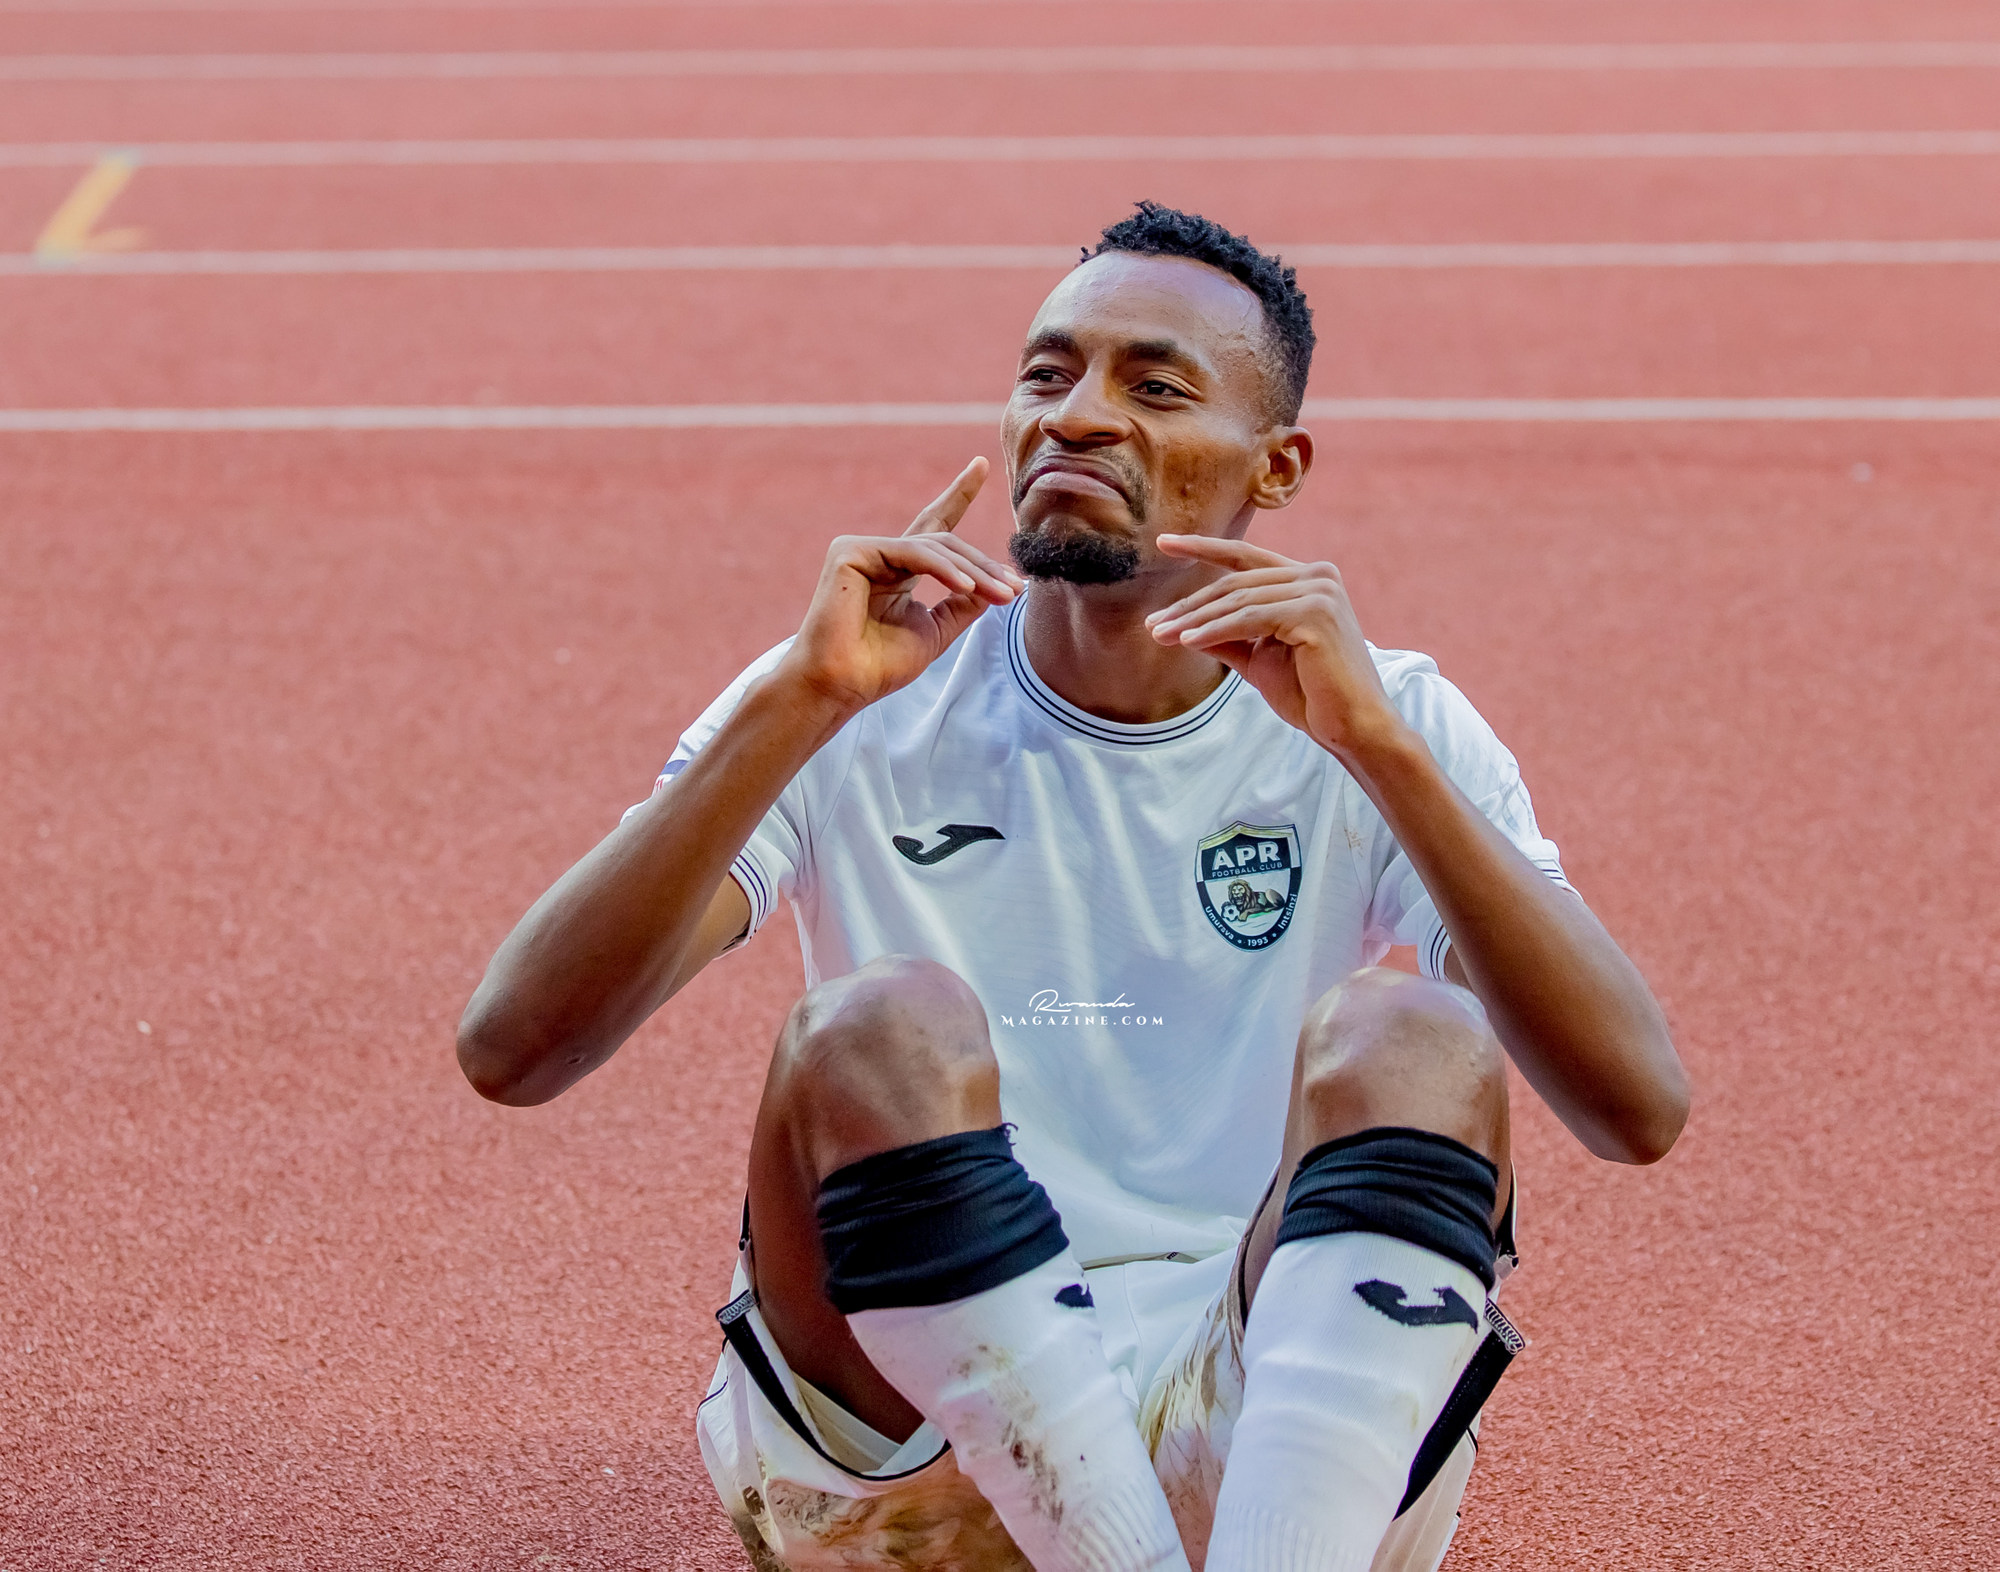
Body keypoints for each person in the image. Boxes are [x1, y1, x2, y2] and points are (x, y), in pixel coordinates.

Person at [457, 203, 1690, 1572]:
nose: (1078, 416)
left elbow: (1634, 1106)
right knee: (876, 1032)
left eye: (1155, 388)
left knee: (1416, 1036)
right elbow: (516, 1047)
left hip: (1260, 1439)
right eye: (1047, 374)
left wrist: (1381, 754)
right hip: (914, 1447)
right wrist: (799, 704)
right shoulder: (849, 688)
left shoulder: (1383, 715)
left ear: (1277, 466)